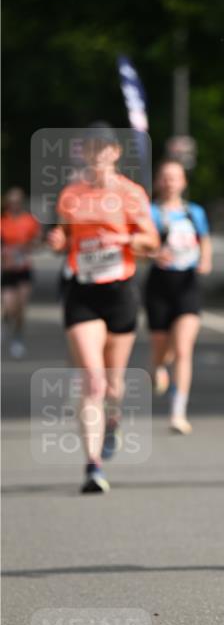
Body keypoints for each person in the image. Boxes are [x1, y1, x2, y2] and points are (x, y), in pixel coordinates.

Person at [47, 125, 159, 493]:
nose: (96, 154)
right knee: (92, 379)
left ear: (114, 153)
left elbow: (151, 242)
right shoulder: (72, 194)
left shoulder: (131, 194)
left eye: (103, 148)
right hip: (83, 291)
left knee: (113, 383)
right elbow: (64, 235)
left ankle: (113, 419)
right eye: (90, 148)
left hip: (120, 292)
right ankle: (92, 465)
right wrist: (58, 239)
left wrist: (123, 238)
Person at [144, 159, 212, 434]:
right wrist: (152, 253)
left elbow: (204, 239)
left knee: (183, 349)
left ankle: (178, 412)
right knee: (162, 345)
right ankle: (158, 366)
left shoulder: (194, 212)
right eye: (165, 177)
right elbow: (137, 246)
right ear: (158, 181)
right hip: (159, 284)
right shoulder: (148, 212)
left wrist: (206, 260)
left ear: (183, 182)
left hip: (187, 283)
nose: (170, 182)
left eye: (175, 178)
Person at [1, 187, 41, 358]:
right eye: (12, 202)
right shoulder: (3, 221)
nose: (15, 205)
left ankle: (18, 337)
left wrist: (27, 248)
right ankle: (5, 325)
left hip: (24, 268)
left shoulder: (29, 221)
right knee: (9, 307)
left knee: (21, 307)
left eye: (18, 201)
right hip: (8, 269)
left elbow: (38, 241)